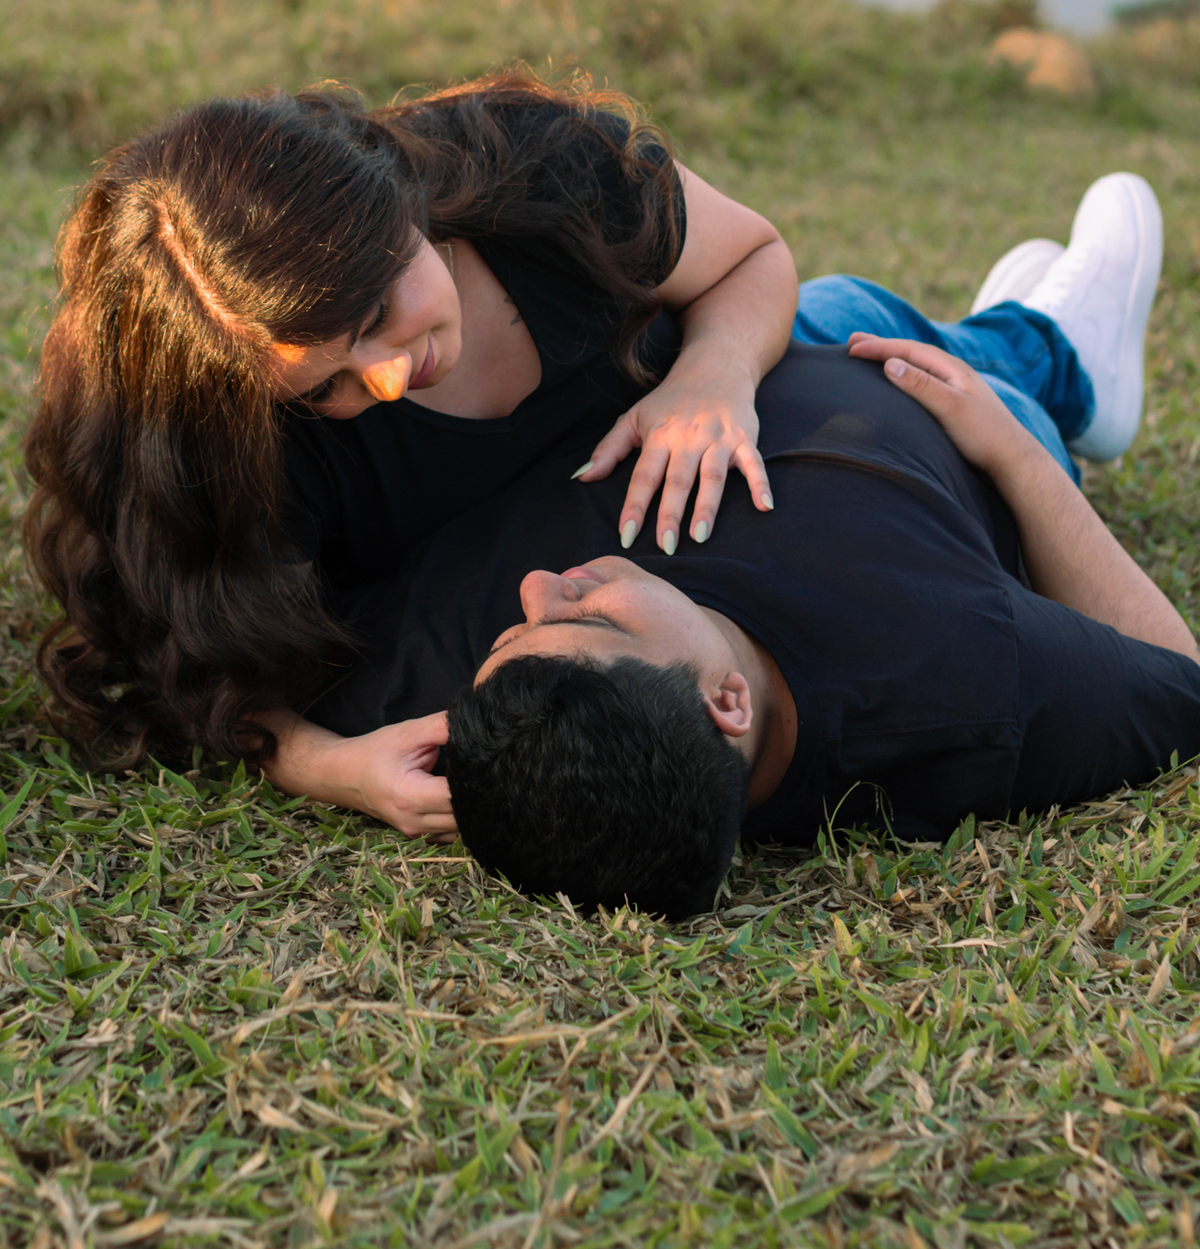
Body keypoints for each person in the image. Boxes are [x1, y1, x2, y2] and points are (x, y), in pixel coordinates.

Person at [263, 174, 1200, 920]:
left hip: (759, 355)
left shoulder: (489, 679)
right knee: (986, 374)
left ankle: (1011, 326)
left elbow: (197, 678)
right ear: (726, 700)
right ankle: (1052, 349)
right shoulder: (958, 687)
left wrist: (317, 763)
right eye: (588, 614)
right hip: (951, 442)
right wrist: (1001, 443)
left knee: (833, 300)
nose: (543, 585)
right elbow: (1178, 679)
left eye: (524, 625)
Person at [23, 72, 798, 773]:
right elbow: (191, 653)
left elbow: (753, 255)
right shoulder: (244, 442)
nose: (389, 380)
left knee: (881, 332)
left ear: (397, 207)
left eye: (378, 312)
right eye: (326, 384)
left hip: (762, 371)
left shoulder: (542, 165)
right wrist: (323, 764)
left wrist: (713, 373)